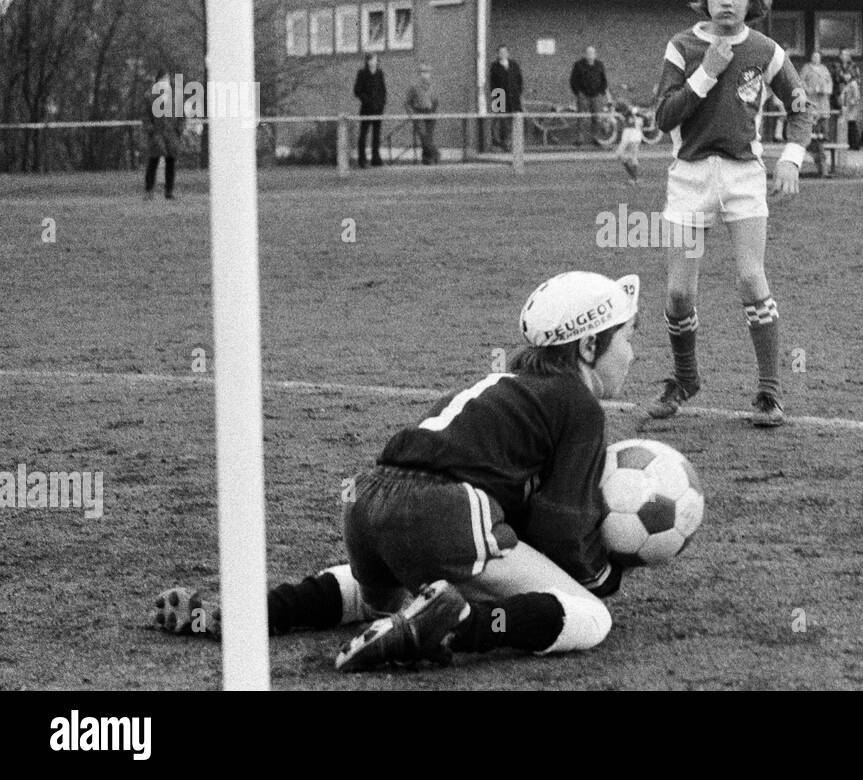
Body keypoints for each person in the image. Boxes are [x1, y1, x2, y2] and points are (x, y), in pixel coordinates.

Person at [151, 271, 641, 671]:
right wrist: (609, 569)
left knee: (380, 602)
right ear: (588, 347)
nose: (633, 353)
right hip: (443, 510)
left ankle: (246, 614)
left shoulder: (505, 385)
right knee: (591, 617)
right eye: (627, 336)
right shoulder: (579, 404)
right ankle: (461, 626)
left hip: (367, 503)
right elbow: (560, 528)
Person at [645, 0, 813, 428]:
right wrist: (706, 73)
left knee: (749, 279)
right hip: (690, 176)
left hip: (743, 176)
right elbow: (663, 117)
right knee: (679, 293)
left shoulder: (765, 50)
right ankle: (685, 377)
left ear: (753, 0)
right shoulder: (682, 46)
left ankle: (769, 392)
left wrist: (792, 160)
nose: (726, 0)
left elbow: (802, 107)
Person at [142, 69, 184, 200]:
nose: (165, 82)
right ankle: (149, 191)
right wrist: (151, 129)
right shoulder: (150, 97)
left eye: (167, 79)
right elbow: (145, 116)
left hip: (171, 135)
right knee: (153, 162)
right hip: (157, 134)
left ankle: (169, 191)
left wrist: (178, 130)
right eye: (163, 79)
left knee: (170, 163)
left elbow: (182, 116)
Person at [800, 50, 835, 172]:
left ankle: (822, 138)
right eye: (814, 57)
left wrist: (826, 89)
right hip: (811, 97)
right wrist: (807, 89)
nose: (816, 59)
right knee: (812, 120)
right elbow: (801, 81)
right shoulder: (806, 68)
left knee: (823, 120)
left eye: (818, 57)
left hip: (823, 98)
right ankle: (814, 142)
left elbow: (829, 81)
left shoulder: (824, 69)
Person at [570, 45, 611, 146]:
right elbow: (573, 80)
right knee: (581, 117)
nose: (590, 55)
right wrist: (578, 93)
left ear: (595, 54)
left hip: (596, 95)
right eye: (588, 53)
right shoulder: (578, 65)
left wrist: (601, 91)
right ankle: (579, 139)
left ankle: (595, 138)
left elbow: (604, 80)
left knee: (596, 117)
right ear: (585, 54)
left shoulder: (599, 65)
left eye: (592, 53)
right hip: (583, 95)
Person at [487, 45, 524, 151]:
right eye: (500, 52)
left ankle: (513, 143)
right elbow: (493, 84)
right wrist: (496, 99)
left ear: (508, 53)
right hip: (500, 96)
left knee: (515, 120)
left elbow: (519, 80)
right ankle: (502, 143)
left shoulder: (514, 65)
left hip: (514, 97)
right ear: (498, 54)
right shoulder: (494, 66)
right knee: (502, 121)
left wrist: (518, 93)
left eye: (504, 52)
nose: (502, 54)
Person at [353, 54, 387, 167]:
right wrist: (367, 100)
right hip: (366, 109)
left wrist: (381, 103)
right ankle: (362, 159)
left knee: (376, 135)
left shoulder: (379, 73)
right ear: (368, 61)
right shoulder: (362, 73)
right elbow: (357, 91)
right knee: (363, 134)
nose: (374, 62)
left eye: (375, 60)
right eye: (372, 60)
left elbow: (383, 90)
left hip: (378, 109)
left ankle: (375, 158)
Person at [405, 63, 440, 164]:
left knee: (429, 136)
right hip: (418, 112)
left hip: (430, 112)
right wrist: (411, 114)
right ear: (420, 74)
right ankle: (435, 153)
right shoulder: (414, 86)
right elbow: (407, 102)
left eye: (428, 72)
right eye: (423, 72)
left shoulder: (432, 86)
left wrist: (433, 111)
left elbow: (435, 101)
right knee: (423, 135)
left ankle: (427, 158)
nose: (426, 75)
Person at [831, 48, 861, 148]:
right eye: (843, 54)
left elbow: (857, 79)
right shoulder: (835, 65)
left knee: (851, 119)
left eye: (847, 54)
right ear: (840, 56)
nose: (845, 56)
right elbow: (836, 77)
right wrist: (845, 77)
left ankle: (854, 144)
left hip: (851, 95)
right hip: (838, 94)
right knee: (840, 118)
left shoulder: (854, 65)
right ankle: (840, 142)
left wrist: (848, 78)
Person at [613, 97, 643, 184]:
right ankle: (633, 178)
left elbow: (638, 114)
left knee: (632, 157)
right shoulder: (625, 112)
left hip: (633, 134)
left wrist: (630, 111)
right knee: (620, 155)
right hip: (628, 134)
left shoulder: (633, 110)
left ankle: (634, 179)